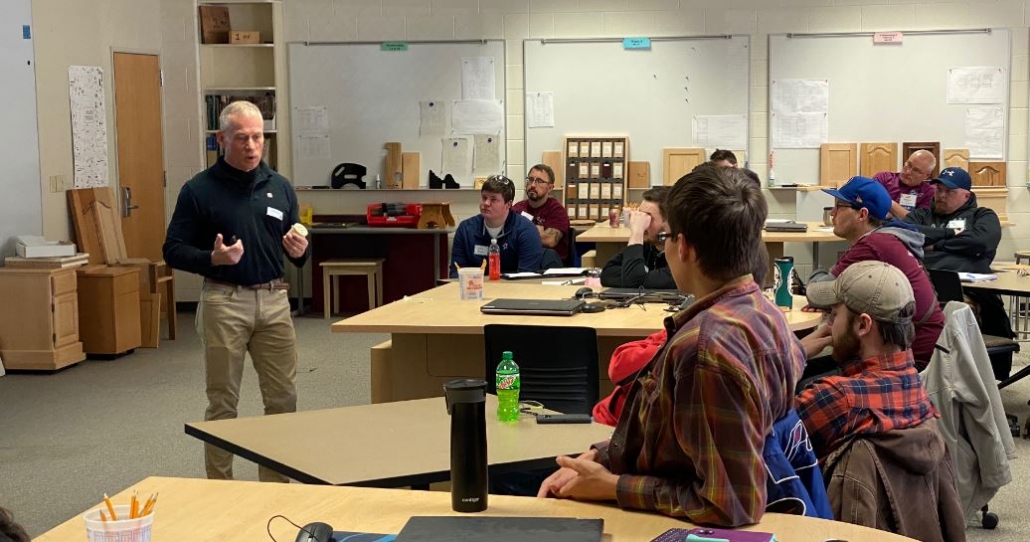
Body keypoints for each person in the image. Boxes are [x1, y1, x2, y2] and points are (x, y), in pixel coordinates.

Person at [539, 166, 807, 527]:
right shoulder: (764, 312)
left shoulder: (703, 351)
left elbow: (729, 504)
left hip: (673, 525)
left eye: (665, 236)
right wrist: (603, 456)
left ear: (684, 247)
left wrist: (612, 486)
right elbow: (671, 436)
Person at [163, 101, 308, 483]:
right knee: (223, 402)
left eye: (258, 137)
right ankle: (220, 488)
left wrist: (300, 251)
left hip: (274, 301)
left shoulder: (279, 186)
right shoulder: (199, 190)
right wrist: (213, 258)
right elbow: (172, 250)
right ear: (221, 139)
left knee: (283, 400)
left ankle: (275, 488)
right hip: (224, 302)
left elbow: (295, 243)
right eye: (242, 138)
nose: (252, 146)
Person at [796, 262, 963, 541]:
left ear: (863, 325)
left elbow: (756, 429)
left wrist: (794, 354)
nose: (827, 325)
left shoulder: (839, 398)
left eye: (834, 314)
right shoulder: (918, 391)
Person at [806, 176, 944, 369]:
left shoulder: (873, 245)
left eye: (839, 206)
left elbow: (816, 292)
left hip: (910, 359)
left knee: (804, 374)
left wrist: (819, 275)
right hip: (913, 347)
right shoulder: (889, 238)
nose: (832, 213)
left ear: (862, 214)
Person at [903, 167, 1011, 339]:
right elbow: (905, 233)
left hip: (966, 292)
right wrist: (954, 236)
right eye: (939, 190)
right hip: (918, 289)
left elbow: (980, 241)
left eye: (949, 192)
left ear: (966, 196)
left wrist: (936, 245)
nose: (941, 195)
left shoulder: (982, 216)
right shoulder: (921, 215)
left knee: (955, 314)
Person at [450, 175, 545, 277]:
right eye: (484, 197)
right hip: (475, 286)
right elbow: (456, 274)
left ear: (508, 205)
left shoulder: (527, 231)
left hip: (513, 286)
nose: (486, 203)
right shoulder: (466, 230)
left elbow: (526, 278)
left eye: (493, 199)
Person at [600, 186, 676, 289]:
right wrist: (642, 278)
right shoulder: (647, 245)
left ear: (668, 223)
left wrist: (636, 233)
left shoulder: (680, 254)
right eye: (640, 215)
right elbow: (607, 274)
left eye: (647, 217)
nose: (640, 223)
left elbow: (633, 283)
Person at [511, 164, 571, 263]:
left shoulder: (557, 210)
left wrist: (520, 232)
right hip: (522, 262)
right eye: (530, 179)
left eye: (539, 181)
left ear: (550, 187)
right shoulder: (517, 209)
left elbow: (549, 241)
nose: (533, 185)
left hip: (548, 265)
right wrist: (536, 231)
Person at [872, 149, 936, 218]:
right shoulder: (884, 177)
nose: (908, 172)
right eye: (909, 164)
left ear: (926, 175)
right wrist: (900, 213)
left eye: (916, 170)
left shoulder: (928, 192)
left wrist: (887, 201)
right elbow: (868, 202)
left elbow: (916, 220)